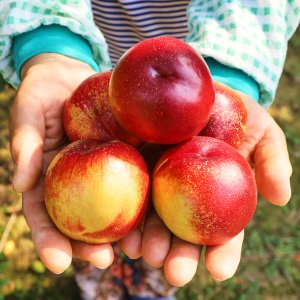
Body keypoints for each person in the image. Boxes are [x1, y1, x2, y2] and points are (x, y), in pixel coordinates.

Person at [0, 1, 299, 299]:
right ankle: (97, 286)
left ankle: (149, 289)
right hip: (100, 59)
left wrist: (230, 76)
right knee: (96, 249)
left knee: (158, 245)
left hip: (198, 63)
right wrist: (53, 47)